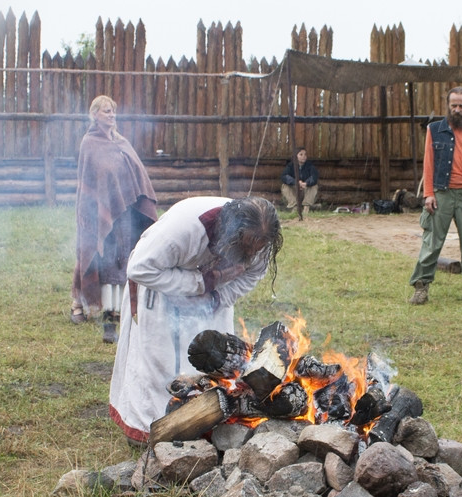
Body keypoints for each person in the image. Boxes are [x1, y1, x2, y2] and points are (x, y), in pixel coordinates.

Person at [109, 196, 283, 445]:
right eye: (244, 247)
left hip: (214, 296)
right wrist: (199, 284)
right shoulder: (183, 229)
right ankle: (151, 429)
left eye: (256, 249)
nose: (250, 254)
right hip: (160, 286)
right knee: (159, 361)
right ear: (231, 232)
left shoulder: (259, 240)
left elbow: (253, 274)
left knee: (216, 360)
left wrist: (216, 298)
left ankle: (206, 424)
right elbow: (139, 269)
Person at [72, 95, 158, 344]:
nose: (111, 115)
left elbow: (136, 174)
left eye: (113, 111)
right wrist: (101, 207)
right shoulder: (89, 143)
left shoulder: (121, 142)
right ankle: (101, 314)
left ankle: (120, 311)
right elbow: (92, 180)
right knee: (101, 259)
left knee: (123, 260)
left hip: (126, 212)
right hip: (100, 212)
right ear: (95, 114)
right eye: (106, 111)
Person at [407, 87, 462, 305]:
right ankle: (420, 288)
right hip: (441, 193)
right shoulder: (434, 130)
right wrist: (428, 194)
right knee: (432, 243)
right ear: (448, 105)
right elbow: (429, 163)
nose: (457, 109)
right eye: (454, 105)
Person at [280, 147, 320, 214]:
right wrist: (296, 182)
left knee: (314, 186)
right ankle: (294, 206)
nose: (304, 156)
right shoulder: (291, 166)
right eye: (301, 154)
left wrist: (306, 183)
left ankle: (306, 206)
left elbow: (314, 177)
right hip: (295, 190)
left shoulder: (310, 166)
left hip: (305, 190)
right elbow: (284, 176)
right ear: (296, 156)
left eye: (305, 154)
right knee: (285, 186)